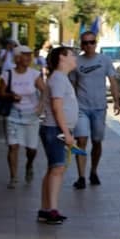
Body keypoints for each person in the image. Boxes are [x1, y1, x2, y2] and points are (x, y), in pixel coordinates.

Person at [69, 30, 120, 189]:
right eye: (85, 43)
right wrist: (70, 105)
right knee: (81, 140)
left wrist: (116, 100)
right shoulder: (76, 62)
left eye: (91, 42)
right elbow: (72, 85)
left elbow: (112, 81)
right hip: (81, 107)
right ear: (81, 45)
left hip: (99, 107)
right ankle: (81, 176)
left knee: (97, 141)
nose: (89, 46)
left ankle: (93, 171)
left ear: (96, 43)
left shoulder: (104, 60)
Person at [38, 46, 79, 224]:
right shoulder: (59, 79)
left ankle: (46, 208)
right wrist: (66, 133)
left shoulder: (60, 78)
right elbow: (57, 107)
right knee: (57, 168)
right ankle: (52, 209)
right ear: (62, 58)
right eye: (72, 55)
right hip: (55, 130)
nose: (75, 58)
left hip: (57, 129)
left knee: (54, 169)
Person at [0, 45, 44, 188]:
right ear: (17, 57)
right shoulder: (8, 74)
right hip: (13, 115)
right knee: (13, 146)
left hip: (31, 116)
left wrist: (40, 107)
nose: (28, 58)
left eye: (30, 55)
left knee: (32, 149)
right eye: (25, 55)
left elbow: (45, 91)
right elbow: (1, 93)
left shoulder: (34, 74)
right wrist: (12, 95)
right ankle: (13, 177)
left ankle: (29, 165)